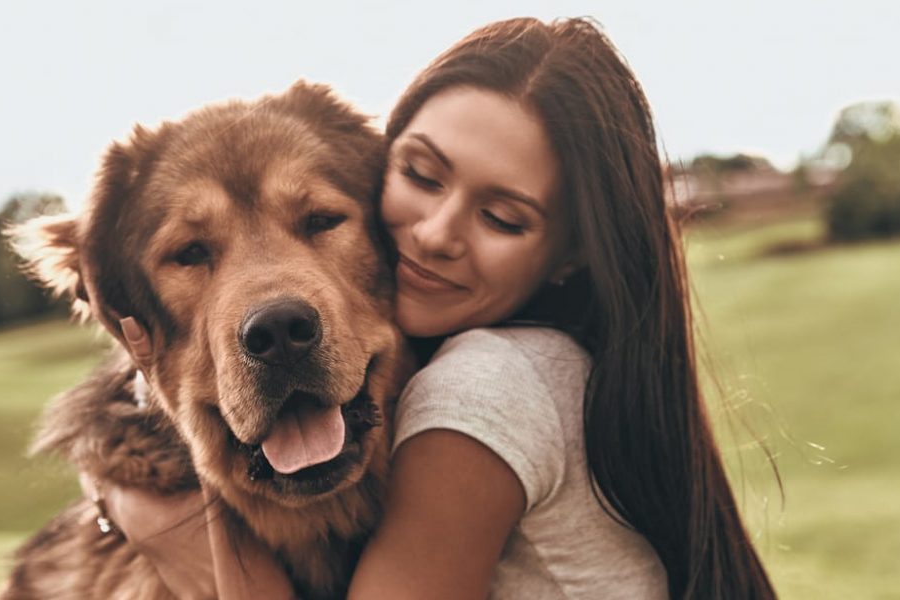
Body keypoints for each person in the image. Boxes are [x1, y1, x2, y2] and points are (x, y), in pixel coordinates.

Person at [91, 16, 776, 599]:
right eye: (421, 175)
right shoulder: (575, 368)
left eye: (503, 216)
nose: (435, 234)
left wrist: (161, 519)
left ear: (571, 254)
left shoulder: (482, 389)